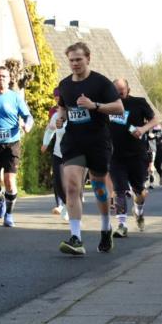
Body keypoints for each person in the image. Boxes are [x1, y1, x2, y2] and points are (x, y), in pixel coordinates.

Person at [55, 42, 124, 255]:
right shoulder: (65, 84)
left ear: (88, 58)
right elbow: (63, 107)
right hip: (74, 141)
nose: (75, 64)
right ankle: (76, 238)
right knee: (73, 186)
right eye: (72, 60)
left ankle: (105, 227)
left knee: (99, 188)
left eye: (78, 59)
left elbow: (119, 108)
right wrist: (60, 118)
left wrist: (95, 106)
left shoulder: (101, 82)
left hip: (98, 141)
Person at [0, 66, 33, 228]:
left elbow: (27, 116)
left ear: (9, 79)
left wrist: (27, 125)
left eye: (4, 76)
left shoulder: (15, 97)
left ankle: (9, 214)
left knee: (9, 181)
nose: (0, 79)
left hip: (11, 143)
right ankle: (1, 199)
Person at [107, 78, 156, 237]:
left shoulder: (139, 102)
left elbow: (155, 120)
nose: (120, 91)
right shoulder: (109, 106)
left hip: (137, 154)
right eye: (116, 89)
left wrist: (143, 129)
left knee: (140, 191)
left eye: (122, 88)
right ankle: (121, 225)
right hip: (116, 156)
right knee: (119, 190)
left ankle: (139, 211)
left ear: (128, 89)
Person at [41, 97, 68, 220]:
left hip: (77, 155)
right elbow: (50, 130)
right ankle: (68, 204)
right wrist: (45, 143)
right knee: (60, 184)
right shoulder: (56, 116)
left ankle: (70, 208)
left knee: (74, 184)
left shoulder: (79, 116)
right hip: (59, 154)